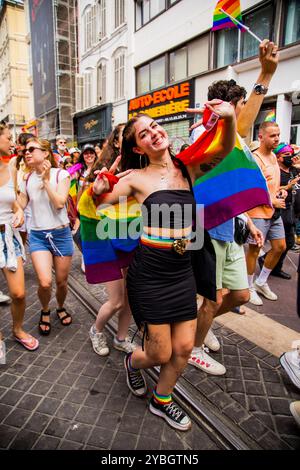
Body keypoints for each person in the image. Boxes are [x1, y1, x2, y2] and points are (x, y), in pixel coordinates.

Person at [89, 100, 236, 431]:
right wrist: (98, 189)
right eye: (144, 133)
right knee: (158, 352)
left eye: (154, 126)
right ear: (138, 147)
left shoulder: (188, 167)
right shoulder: (135, 178)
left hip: (182, 270)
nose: (153, 133)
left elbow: (224, 150)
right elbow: (100, 199)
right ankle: (132, 361)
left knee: (183, 348)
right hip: (151, 273)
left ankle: (162, 399)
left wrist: (228, 119)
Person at [186, 39, 278, 375]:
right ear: (229, 107)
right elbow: (239, 124)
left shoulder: (234, 137)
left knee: (239, 296)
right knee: (213, 295)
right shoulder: (209, 132)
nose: (244, 112)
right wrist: (265, 74)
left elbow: (228, 186)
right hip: (208, 229)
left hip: (231, 228)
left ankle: (201, 328)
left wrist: (248, 221)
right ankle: (194, 346)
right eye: (239, 105)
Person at [18, 138, 73, 335]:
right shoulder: (25, 178)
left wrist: (44, 178)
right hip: (39, 235)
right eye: (25, 150)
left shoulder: (62, 174)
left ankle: (59, 306)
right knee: (44, 282)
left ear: (46, 153)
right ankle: (45, 309)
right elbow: (22, 202)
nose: (27, 152)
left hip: (61, 234)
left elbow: (59, 203)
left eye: (32, 149)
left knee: (61, 282)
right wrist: (15, 210)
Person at [0, 122, 39, 351]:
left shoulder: (12, 168)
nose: (13, 142)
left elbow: (14, 202)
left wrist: (18, 213)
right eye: (8, 137)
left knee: (19, 293)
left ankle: (17, 329)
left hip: (9, 237)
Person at [246, 122, 287, 306]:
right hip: (257, 212)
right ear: (261, 137)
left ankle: (261, 282)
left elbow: (272, 185)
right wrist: (272, 200)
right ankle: (249, 288)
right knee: (254, 250)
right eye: (272, 135)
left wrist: (281, 191)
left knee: (280, 246)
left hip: (274, 211)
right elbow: (250, 190)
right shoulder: (254, 159)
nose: (277, 139)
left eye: (278, 135)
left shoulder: (274, 157)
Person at [259, 143, 300, 277]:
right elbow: (272, 188)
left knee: (288, 243)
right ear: (278, 158)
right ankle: (267, 262)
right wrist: (287, 187)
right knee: (278, 243)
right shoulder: (277, 171)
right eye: (286, 155)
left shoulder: (293, 170)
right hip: (279, 208)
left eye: (290, 154)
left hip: (292, 209)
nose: (290, 157)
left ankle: (274, 266)